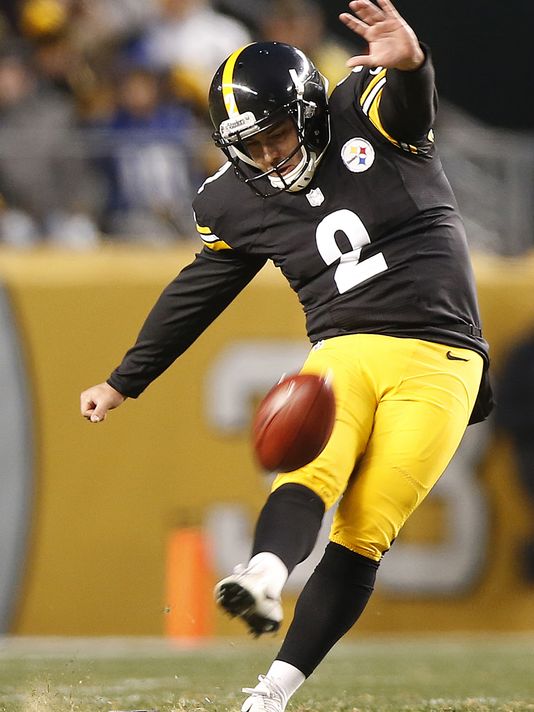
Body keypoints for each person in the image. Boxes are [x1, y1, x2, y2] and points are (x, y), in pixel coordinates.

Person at [80, 1, 494, 709]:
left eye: (276, 136)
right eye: (252, 145)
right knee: (309, 463)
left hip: (440, 354)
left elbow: (408, 98)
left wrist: (415, 61)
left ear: (307, 111)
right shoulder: (233, 198)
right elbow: (199, 290)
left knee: (366, 528)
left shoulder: (365, 113)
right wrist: (126, 379)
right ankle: (266, 574)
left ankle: (272, 692)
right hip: (347, 345)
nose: (268, 156)